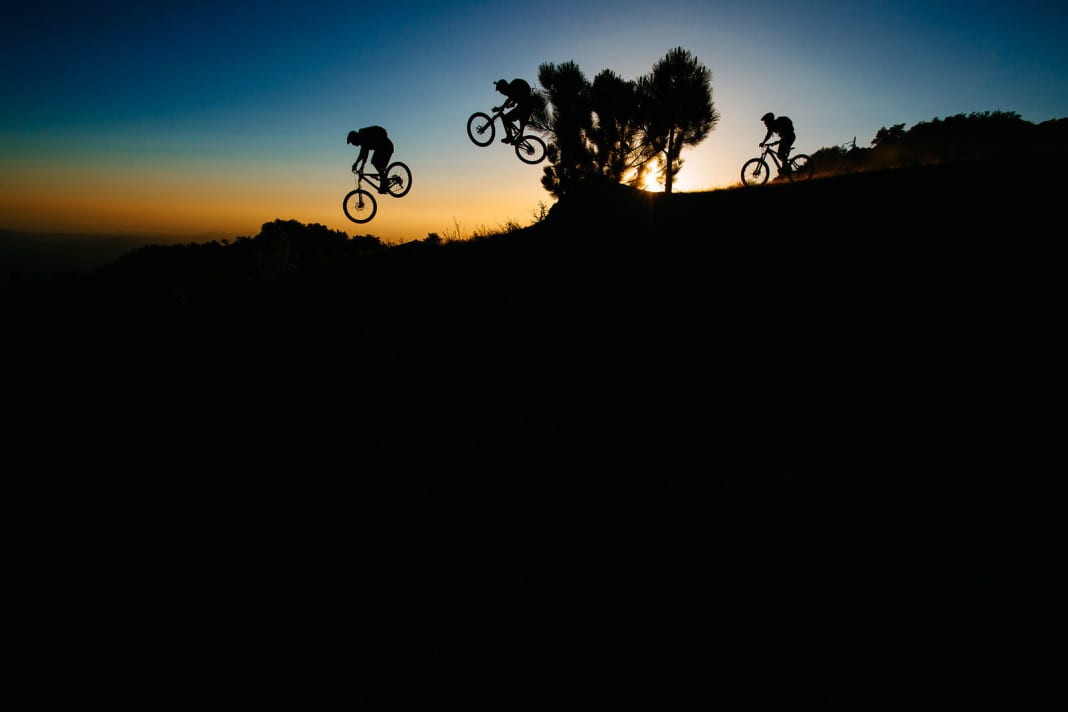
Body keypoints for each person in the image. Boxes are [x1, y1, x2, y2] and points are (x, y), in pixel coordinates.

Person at [347, 126, 394, 194]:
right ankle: (385, 184)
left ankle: (384, 185)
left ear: (354, 137)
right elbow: (365, 154)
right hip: (386, 147)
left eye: (352, 142)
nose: (353, 145)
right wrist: (362, 166)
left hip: (386, 147)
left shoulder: (363, 136)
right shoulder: (363, 139)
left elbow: (362, 153)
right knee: (380, 167)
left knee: (375, 162)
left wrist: (356, 164)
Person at [493, 78, 534, 144]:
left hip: (526, 105)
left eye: (501, 91)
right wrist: (501, 107)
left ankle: (510, 137)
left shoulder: (513, 87)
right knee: (520, 118)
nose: (502, 93)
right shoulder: (513, 90)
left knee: (506, 118)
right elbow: (511, 104)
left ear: (504, 87)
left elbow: (509, 100)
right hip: (527, 105)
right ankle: (520, 137)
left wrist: (501, 107)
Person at [760, 112, 796, 177]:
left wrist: (764, 142)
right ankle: (786, 168)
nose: (765, 124)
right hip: (786, 138)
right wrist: (763, 142)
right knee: (780, 155)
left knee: (780, 154)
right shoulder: (772, 126)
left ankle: (786, 169)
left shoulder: (778, 123)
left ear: (769, 120)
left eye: (765, 122)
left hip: (790, 137)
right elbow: (768, 135)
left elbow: (786, 134)